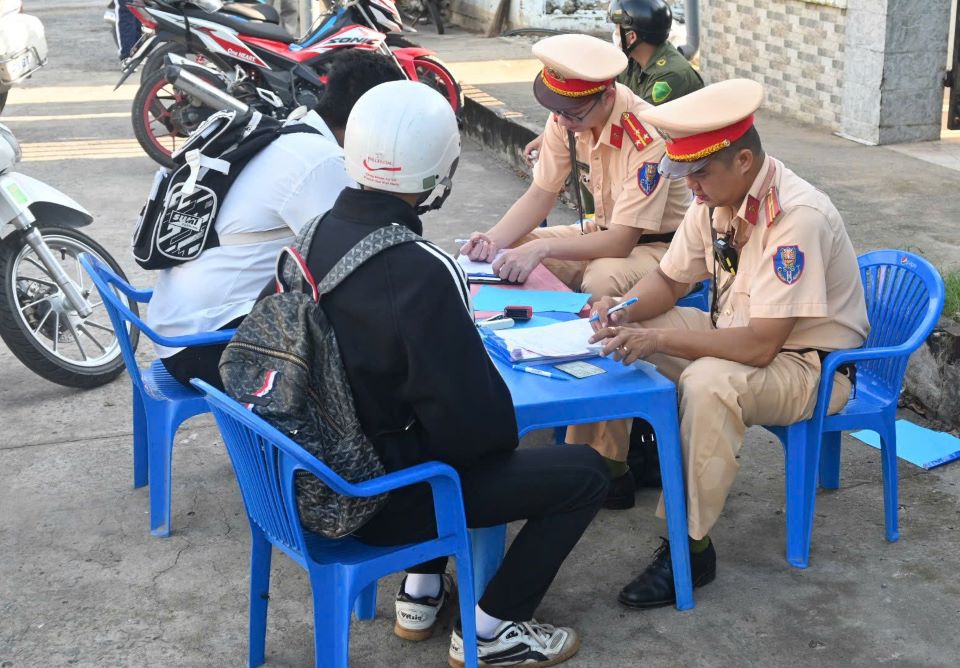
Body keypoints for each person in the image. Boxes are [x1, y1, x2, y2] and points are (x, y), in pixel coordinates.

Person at [305, 80, 608, 667]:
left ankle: (419, 594)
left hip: (314, 472)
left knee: (418, 425)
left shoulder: (314, 234)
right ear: (441, 169)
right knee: (584, 472)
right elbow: (481, 430)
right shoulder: (420, 270)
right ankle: (491, 629)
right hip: (379, 498)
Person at [586, 79, 869, 609]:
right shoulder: (713, 197)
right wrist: (621, 311)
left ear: (743, 160)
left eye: (698, 173)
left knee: (708, 382)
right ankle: (611, 467)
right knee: (615, 338)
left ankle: (689, 549)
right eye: (685, 172)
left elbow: (762, 347)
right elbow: (670, 281)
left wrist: (658, 338)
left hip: (810, 368)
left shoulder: (796, 218)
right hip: (743, 339)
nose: (689, 185)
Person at [461, 33, 688, 509]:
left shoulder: (645, 136)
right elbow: (541, 195)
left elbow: (624, 241)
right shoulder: (569, 111)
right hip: (601, 234)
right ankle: (527, 369)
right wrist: (493, 240)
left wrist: (541, 254)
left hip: (659, 251)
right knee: (509, 253)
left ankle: (609, 461)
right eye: (558, 111)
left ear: (606, 95)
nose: (562, 122)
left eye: (573, 115)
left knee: (601, 281)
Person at [146, 50, 402, 390]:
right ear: (371, 119)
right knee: (379, 353)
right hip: (209, 347)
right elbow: (359, 263)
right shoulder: (321, 162)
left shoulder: (286, 132)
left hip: (178, 331)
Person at [522, 0, 703, 170]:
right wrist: (547, 137)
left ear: (631, 36)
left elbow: (635, 125)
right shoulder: (631, 61)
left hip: (684, 165)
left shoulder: (670, 76)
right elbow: (591, 98)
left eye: (618, 28)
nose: (615, 34)